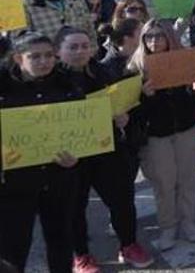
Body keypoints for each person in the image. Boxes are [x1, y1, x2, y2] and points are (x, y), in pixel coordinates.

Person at [55, 28, 153, 271]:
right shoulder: (51, 80)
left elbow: (124, 102)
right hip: (71, 156)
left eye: (84, 46)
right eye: (73, 47)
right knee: (74, 206)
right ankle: (81, 254)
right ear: (58, 52)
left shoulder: (104, 72)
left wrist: (124, 117)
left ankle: (129, 245)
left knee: (122, 199)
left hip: (108, 148)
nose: (80, 51)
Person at [0, 33, 82, 273]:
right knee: (13, 246)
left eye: (48, 55)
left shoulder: (68, 84)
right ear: (18, 58)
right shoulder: (2, 87)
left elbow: (82, 129)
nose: (44, 61)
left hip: (59, 178)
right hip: (14, 183)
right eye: (34, 56)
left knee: (61, 240)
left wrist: (77, 155)